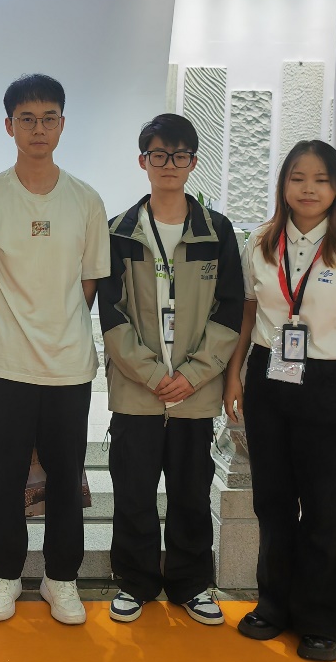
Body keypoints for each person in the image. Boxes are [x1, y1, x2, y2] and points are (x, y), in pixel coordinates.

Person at [223, 139, 336, 662]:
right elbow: (248, 314)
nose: (308, 188)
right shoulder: (261, 242)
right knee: (272, 502)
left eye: (320, 179)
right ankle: (273, 606)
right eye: (297, 178)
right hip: (268, 376)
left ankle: (321, 621)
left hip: (328, 381)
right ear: (283, 185)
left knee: (321, 507)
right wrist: (234, 376)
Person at [0, 73, 110, 626]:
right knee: (3, 475)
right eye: (27, 119)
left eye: (48, 118)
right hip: (3, 364)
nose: (38, 129)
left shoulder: (85, 200)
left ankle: (60, 578)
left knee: (66, 476)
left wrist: (55, 323)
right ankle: (4, 574)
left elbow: (89, 284)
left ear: (63, 125)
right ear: (9, 126)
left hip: (68, 366)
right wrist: (10, 327)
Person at [98, 114, 244, 626]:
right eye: (158, 154)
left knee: (190, 493)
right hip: (137, 391)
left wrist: (195, 373)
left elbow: (230, 309)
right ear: (143, 161)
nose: (168, 164)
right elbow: (110, 313)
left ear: (193, 162)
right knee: (133, 492)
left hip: (194, 393)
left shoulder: (216, 231)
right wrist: (150, 373)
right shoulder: (119, 231)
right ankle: (134, 582)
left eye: (179, 155)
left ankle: (190, 583)